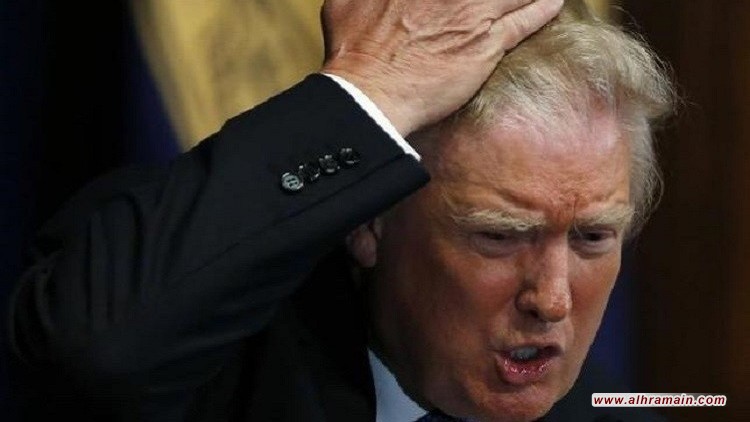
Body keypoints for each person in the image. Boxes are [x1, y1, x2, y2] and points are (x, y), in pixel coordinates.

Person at [6, 0, 673, 420]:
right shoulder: (222, 376)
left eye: (592, 237)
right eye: (500, 236)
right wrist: (362, 98)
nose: (552, 299)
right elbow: (95, 350)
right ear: (368, 222)